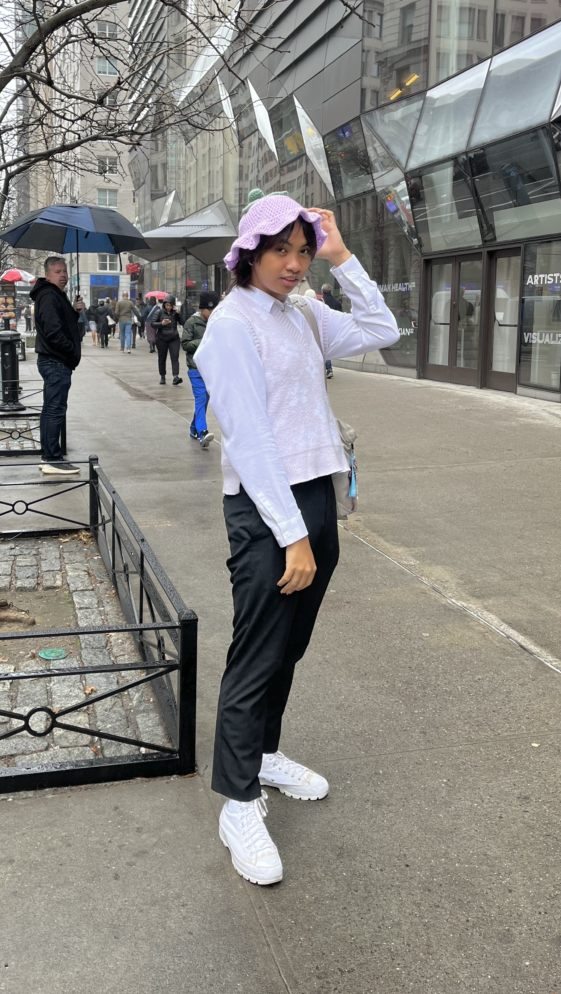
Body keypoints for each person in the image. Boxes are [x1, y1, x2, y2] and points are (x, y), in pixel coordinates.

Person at [194, 195, 399, 885]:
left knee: (290, 645)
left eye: (302, 251)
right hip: (266, 507)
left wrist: (343, 257)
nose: (293, 263)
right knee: (257, 651)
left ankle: (265, 754)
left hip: (314, 494)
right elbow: (248, 441)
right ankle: (237, 800)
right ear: (248, 252)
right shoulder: (231, 326)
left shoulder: (304, 314)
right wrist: (291, 537)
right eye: (280, 249)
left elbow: (382, 326)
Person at [30, 256, 85, 475]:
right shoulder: (49, 296)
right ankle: (52, 458)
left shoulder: (54, 296)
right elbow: (53, 331)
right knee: (55, 409)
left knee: (51, 409)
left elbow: (62, 323)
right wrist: (70, 350)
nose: (63, 275)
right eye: (58, 272)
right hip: (56, 361)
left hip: (55, 360)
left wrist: (74, 311)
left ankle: (49, 455)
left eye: (65, 272)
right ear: (47, 275)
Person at [181, 291, 219, 448]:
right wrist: (203, 341)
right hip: (196, 368)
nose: (211, 313)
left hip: (211, 369)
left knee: (204, 401)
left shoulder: (216, 322)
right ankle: (203, 432)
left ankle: (193, 429)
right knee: (201, 399)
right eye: (209, 310)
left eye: (214, 310)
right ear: (202, 309)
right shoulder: (192, 323)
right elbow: (185, 344)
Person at [154, 294, 185, 385]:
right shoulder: (159, 312)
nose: (168, 307)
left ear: (173, 305)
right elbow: (153, 324)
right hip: (162, 338)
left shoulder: (175, 313)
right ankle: (162, 376)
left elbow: (183, 322)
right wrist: (161, 324)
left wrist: (178, 313)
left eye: (170, 305)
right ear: (164, 305)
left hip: (174, 338)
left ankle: (175, 376)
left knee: (175, 357)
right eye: (166, 305)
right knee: (162, 358)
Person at [321, 283, 343, 378]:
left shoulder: (320, 303)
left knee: (323, 349)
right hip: (334, 329)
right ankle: (328, 369)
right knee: (327, 349)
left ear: (322, 292)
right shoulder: (336, 302)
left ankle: (328, 369)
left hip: (323, 328)